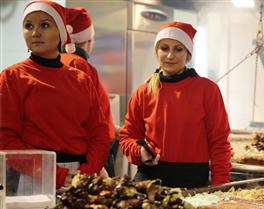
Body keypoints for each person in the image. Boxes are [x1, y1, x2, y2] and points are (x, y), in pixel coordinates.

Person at [0, 0, 110, 189]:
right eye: (28, 26)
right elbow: (4, 137)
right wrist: (53, 173)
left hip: (79, 175)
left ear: (61, 32)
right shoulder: (11, 77)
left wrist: (88, 172)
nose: (35, 32)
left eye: (44, 25)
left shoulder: (81, 79)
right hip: (30, 174)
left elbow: (99, 133)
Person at [119, 21, 232, 188]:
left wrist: (221, 185)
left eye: (178, 49)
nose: (170, 56)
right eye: (164, 48)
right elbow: (127, 137)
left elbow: (219, 142)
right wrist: (140, 152)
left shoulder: (207, 90)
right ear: (157, 52)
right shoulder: (144, 92)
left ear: (188, 54)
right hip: (149, 181)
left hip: (193, 183)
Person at [61, 7, 117, 177]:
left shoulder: (60, 60)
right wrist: (97, 165)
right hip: (89, 156)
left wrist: (115, 129)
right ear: (89, 39)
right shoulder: (79, 65)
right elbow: (82, 118)